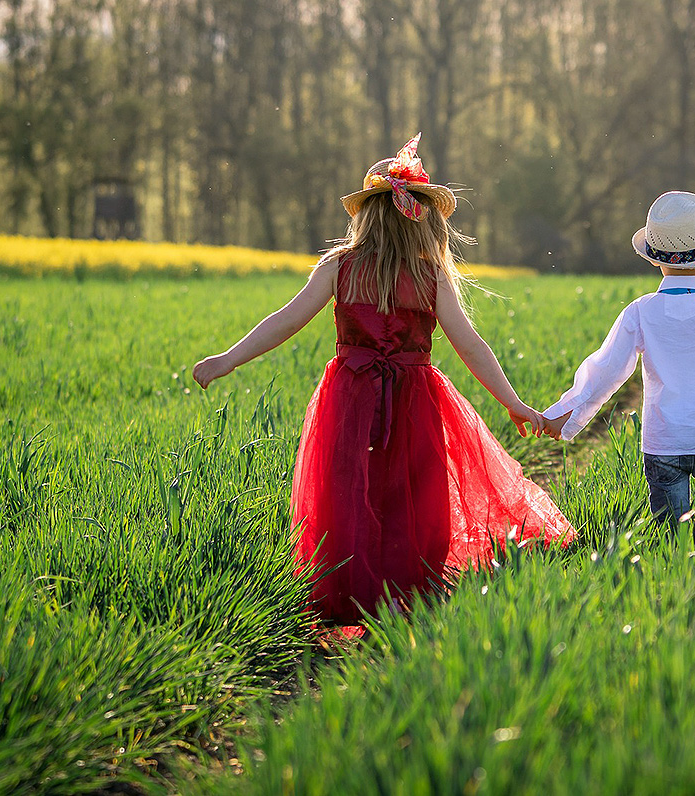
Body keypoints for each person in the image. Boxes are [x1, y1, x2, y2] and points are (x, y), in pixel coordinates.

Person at [193, 134, 575, 626]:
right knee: (417, 493)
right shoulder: (430, 276)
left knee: (351, 491)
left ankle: (355, 591)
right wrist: (513, 403)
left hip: (350, 396)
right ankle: (412, 592)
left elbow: (284, 320)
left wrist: (228, 359)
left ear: (366, 216)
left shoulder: (340, 267)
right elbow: (470, 345)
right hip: (415, 397)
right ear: (426, 221)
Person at [544, 190, 695, 527]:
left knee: (671, 527)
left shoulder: (641, 312)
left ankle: (675, 564)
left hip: (665, 442)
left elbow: (606, 371)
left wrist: (565, 417)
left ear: (655, 259)